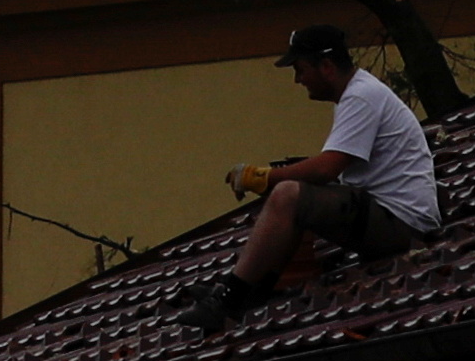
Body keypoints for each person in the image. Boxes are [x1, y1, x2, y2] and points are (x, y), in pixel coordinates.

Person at [184, 23, 441, 331]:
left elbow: (325, 168)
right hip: (389, 217)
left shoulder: (361, 96)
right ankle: (250, 292)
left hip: (403, 224)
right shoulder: (359, 94)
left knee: (288, 196)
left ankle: (228, 298)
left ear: (327, 67)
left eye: (300, 69)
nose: (298, 80)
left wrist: (265, 178)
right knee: (295, 197)